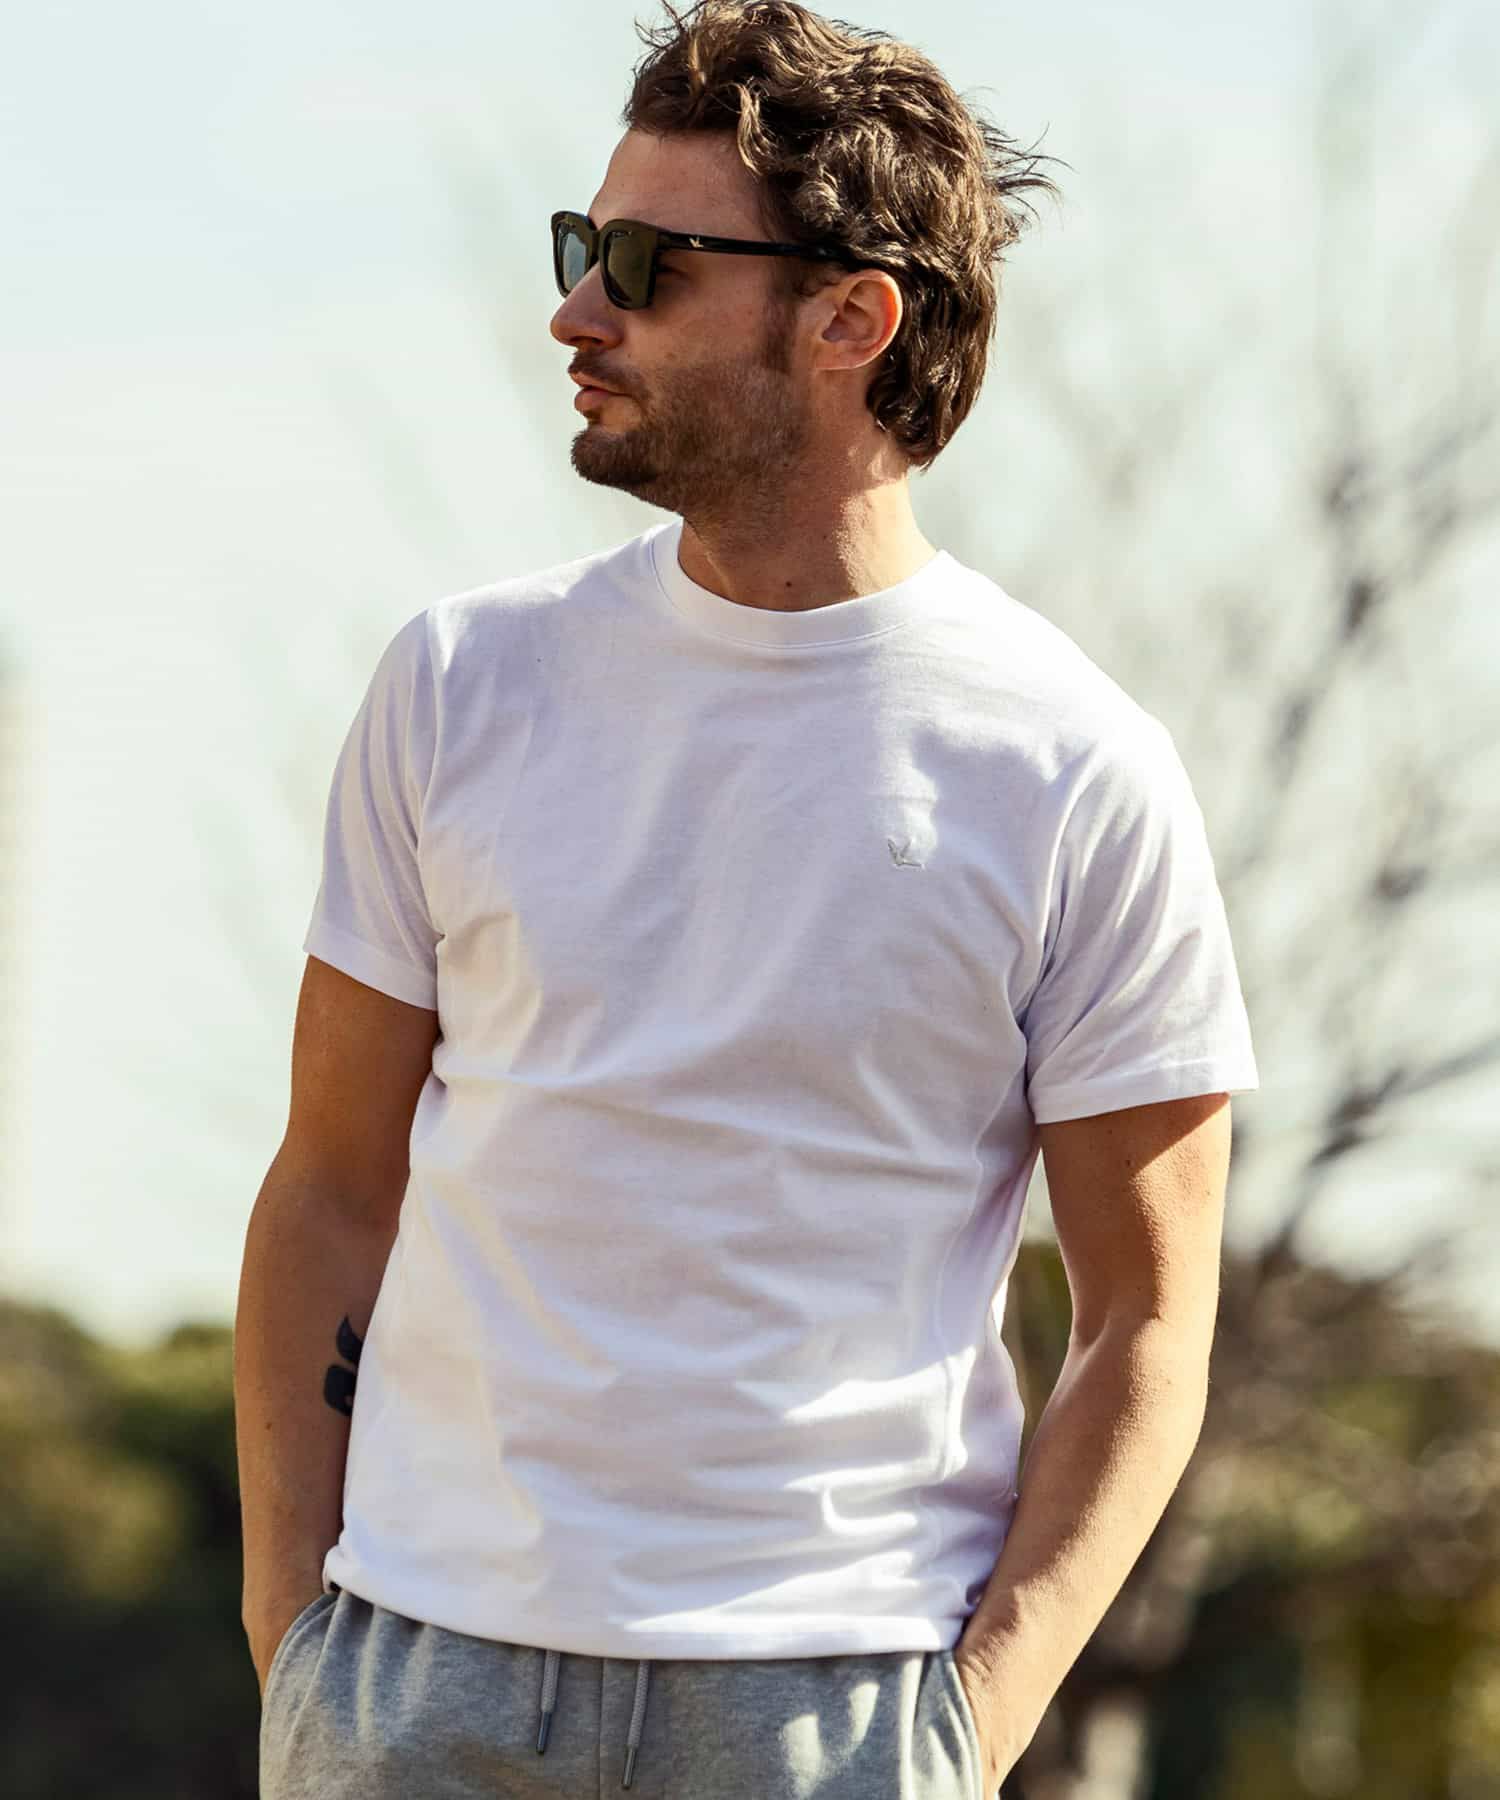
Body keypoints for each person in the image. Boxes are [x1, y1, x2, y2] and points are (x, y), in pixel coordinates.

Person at [235, 2, 1260, 1795]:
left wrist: (971, 1726)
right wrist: (296, 1642)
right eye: (582, 247)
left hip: (836, 1712)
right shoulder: (458, 684)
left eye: (645, 265)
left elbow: (1144, 1320)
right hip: (417, 1687)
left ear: (853, 319)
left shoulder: (1075, 767)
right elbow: (330, 1185)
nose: (577, 312)